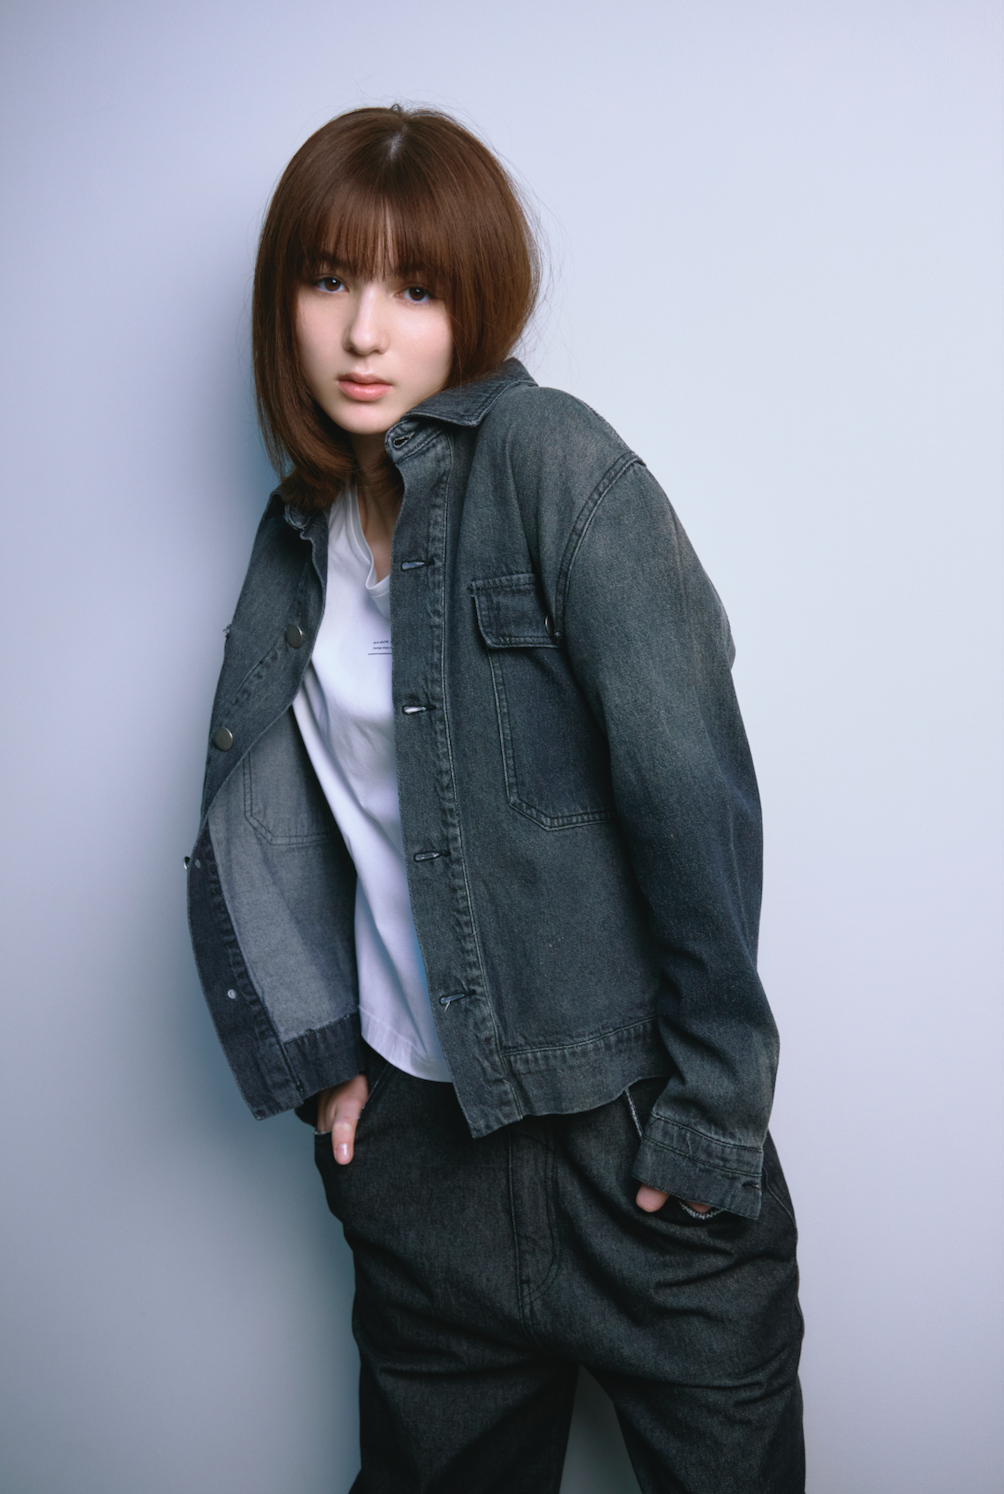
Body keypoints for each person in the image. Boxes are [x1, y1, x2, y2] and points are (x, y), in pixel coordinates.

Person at [187, 104, 805, 1494]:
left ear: (475, 304)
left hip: (628, 1145)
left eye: (415, 290)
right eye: (330, 279)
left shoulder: (553, 466)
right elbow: (279, 812)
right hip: (425, 1165)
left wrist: (715, 1113)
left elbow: (692, 789)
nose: (364, 333)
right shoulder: (296, 538)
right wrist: (323, 1053)